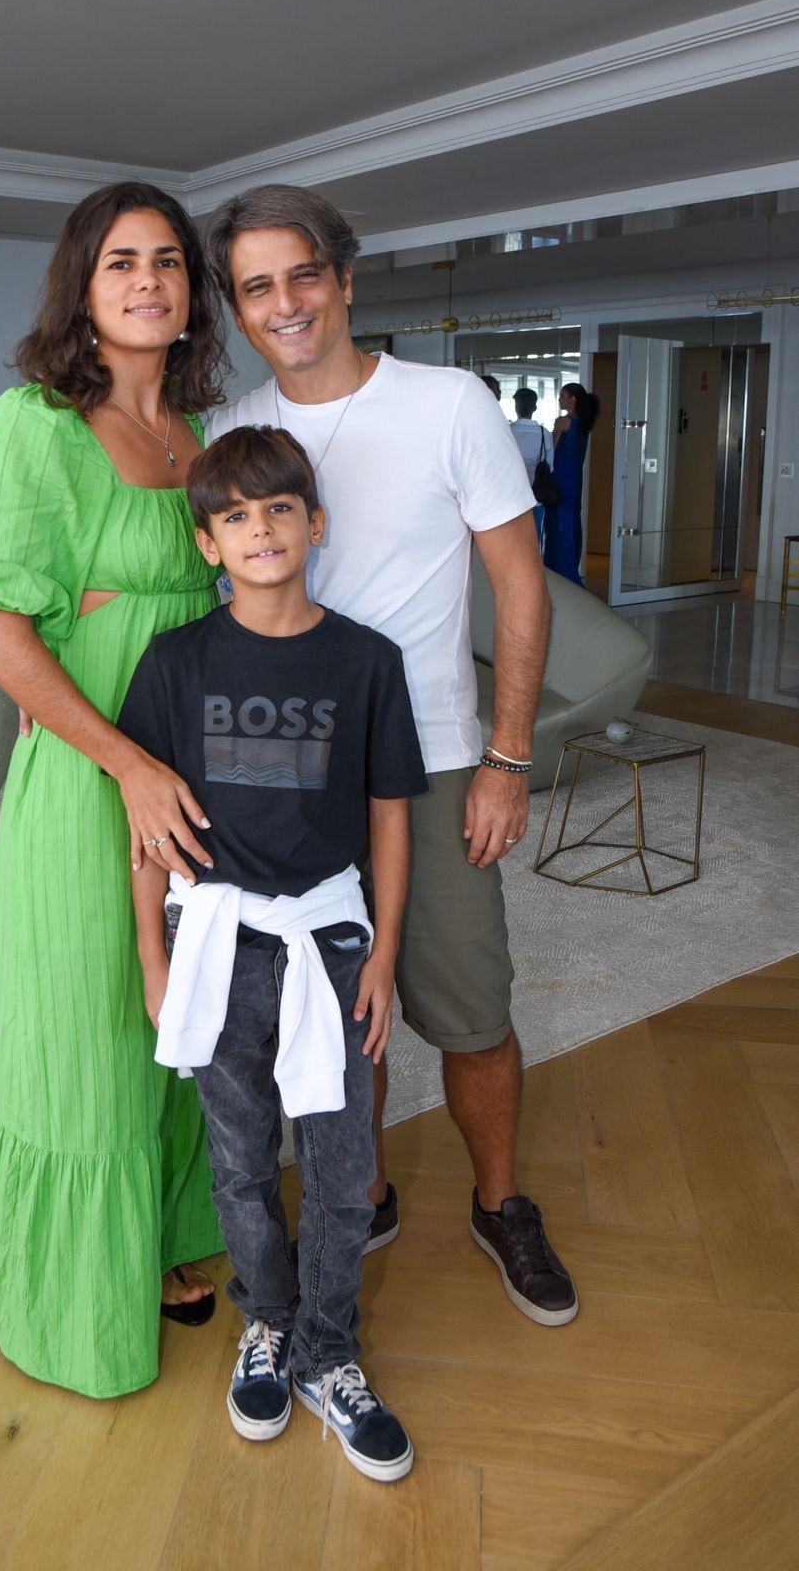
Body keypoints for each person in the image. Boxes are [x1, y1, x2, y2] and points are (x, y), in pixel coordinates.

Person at [204, 185, 578, 1328]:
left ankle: (500, 1200)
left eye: (301, 275)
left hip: (437, 761)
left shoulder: (447, 403)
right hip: (292, 773)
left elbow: (519, 582)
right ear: (236, 307)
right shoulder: (235, 427)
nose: (284, 303)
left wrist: (507, 755)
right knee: (333, 1008)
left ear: (345, 280)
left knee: (468, 1003)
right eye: (256, 286)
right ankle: (360, 1193)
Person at [0, 181, 232, 1400]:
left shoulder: (200, 436)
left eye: (168, 260)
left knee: (179, 1014)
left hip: (193, 769)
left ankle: (158, 1230)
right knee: (87, 1022)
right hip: (92, 772)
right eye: (122, 261)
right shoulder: (38, 424)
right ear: (83, 285)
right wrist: (126, 762)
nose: (148, 281)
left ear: (190, 290)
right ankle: (66, 1291)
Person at [119, 425, 426, 1481]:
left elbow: (390, 815)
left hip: (331, 942)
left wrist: (384, 951)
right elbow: (146, 831)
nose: (260, 530)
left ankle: (329, 1353)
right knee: (242, 1159)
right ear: (208, 544)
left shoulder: (367, 661)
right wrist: (155, 962)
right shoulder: (175, 664)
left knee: (344, 1168)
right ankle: (268, 1322)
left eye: (279, 508)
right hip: (215, 945)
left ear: (315, 524)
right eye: (236, 516)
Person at [546, 381, 600, 586]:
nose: (560, 399)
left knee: (558, 526)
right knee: (571, 524)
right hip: (575, 482)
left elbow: (550, 450)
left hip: (560, 480)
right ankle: (570, 569)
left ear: (572, 399)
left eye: (563, 395)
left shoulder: (563, 422)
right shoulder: (584, 424)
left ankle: (562, 573)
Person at [510, 387, 553, 552]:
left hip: (511, 498)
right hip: (536, 497)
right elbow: (550, 465)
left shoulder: (507, 431)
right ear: (534, 408)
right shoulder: (544, 434)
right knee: (535, 544)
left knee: (513, 544)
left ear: (516, 407)